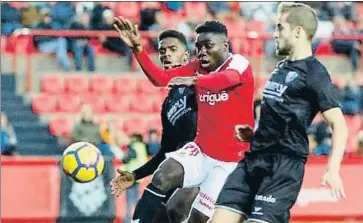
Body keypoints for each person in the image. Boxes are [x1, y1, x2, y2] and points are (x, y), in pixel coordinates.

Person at [211, 3, 348, 223]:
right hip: (253, 160)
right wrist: (254, 134)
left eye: (280, 27)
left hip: (282, 167)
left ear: (298, 31)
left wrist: (332, 169)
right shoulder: (280, 69)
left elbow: (339, 125)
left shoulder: (315, 73)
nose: (274, 34)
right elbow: (281, 118)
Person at [112, 18, 255, 223]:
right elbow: (161, 78)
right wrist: (138, 49)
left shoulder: (238, 63)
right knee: (163, 175)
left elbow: (227, 79)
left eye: (208, 46)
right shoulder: (195, 70)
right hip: (201, 150)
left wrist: (195, 80)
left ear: (224, 45)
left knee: (196, 217)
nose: (202, 51)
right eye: (198, 47)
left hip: (229, 161)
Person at [110, 29, 200, 223]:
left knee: (176, 209)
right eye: (162, 51)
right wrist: (135, 175)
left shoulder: (199, 81)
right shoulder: (168, 104)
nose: (166, 54)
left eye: (172, 49)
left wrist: (138, 49)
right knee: (147, 213)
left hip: (204, 168)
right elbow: (165, 152)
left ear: (186, 56)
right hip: (177, 170)